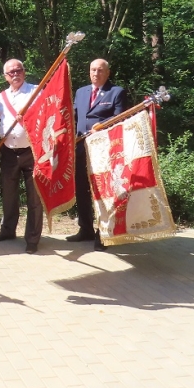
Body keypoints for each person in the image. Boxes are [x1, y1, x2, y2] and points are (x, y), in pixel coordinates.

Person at [67, 58, 127, 251]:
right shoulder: (81, 92)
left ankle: (104, 234)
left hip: (104, 150)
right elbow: (72, 115)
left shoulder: (116, 92)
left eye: (100, 70)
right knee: (82, 190)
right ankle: (85, 229)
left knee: (103, 192)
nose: (96, 73)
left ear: (107, 73)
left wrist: (103, 125)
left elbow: (120, 118)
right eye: (93, 70)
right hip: (81, 149)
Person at [0, 59, 42, 253]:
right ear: (6, 77)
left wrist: (30, 117)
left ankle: (32, 239)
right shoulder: (1, 97)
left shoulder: (36, 91)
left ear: (24, 72)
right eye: (11, 72)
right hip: (8, 152)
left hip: (32, 152)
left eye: (18, 70)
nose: (15, 74)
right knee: (9, 194)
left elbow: (47, 114)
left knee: (34, 198)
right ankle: (8, 230)